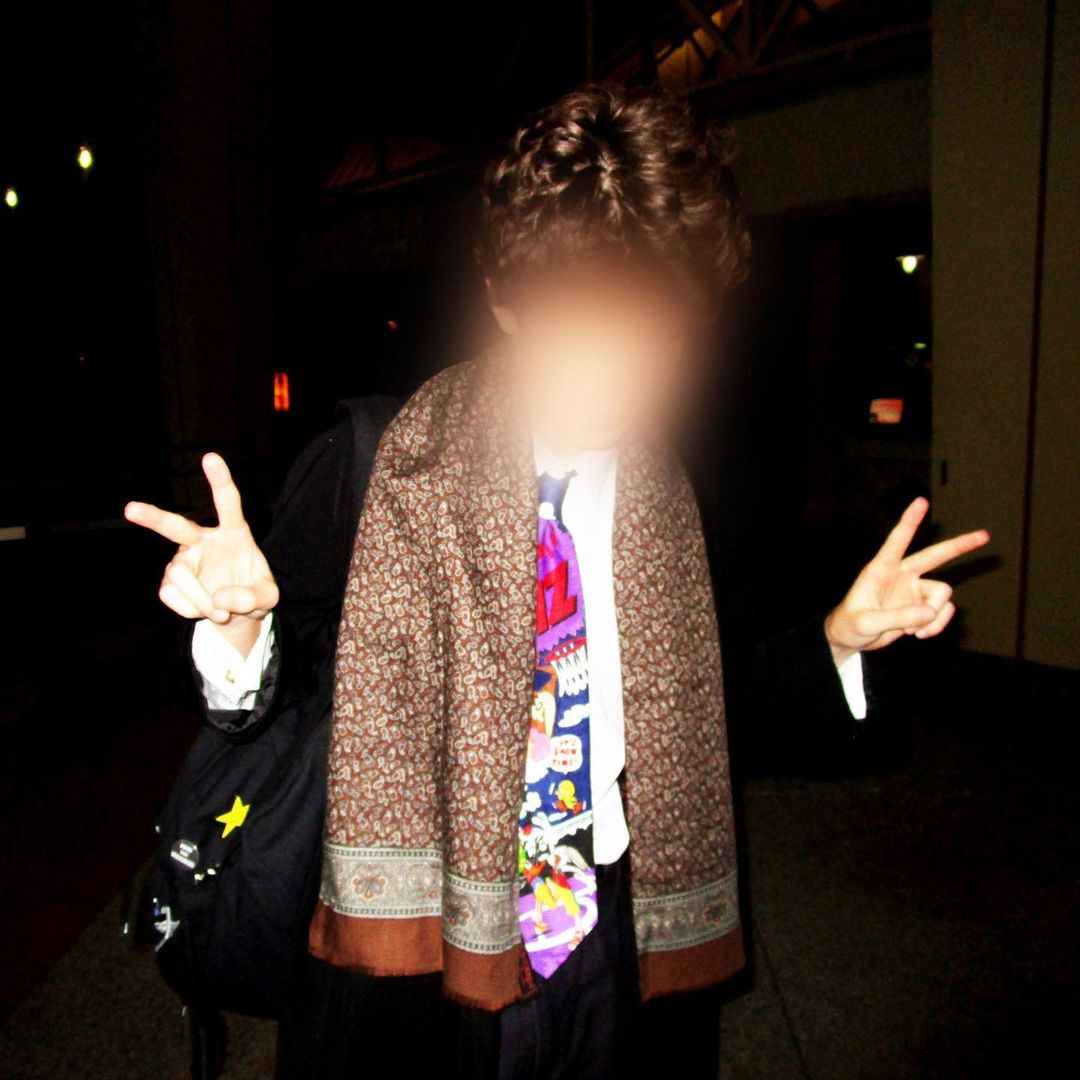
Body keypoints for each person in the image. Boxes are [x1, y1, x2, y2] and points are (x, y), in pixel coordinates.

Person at [125, 86, 988, 1078]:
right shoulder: (382, 467)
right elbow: (288, 708)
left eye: (654, 338)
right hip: (427, 939)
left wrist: (838, 641)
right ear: (506, 299)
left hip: (617, 921)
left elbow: (711, 702)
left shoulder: (677, 490)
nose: (616, 378)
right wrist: (237, 629)